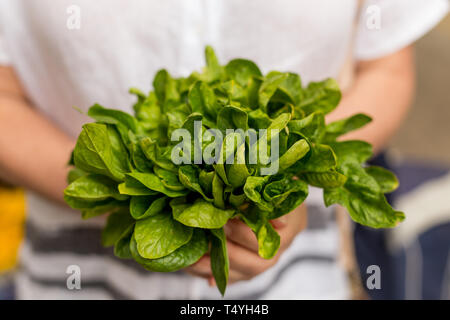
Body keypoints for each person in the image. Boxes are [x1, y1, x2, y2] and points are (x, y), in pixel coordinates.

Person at [0, 0, 447, 299]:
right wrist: (131, 197)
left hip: (296, 280)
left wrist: (287, 185)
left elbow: (385, 68)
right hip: (74, 282)